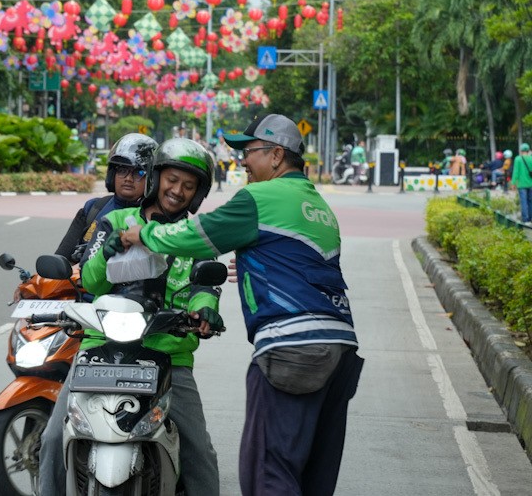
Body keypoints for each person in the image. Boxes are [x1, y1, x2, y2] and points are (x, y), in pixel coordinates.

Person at [122, 114, 364, 496]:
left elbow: (198, 235)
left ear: (276, 155)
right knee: (313, 477)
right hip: (341, 348)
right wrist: (255, 265)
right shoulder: (318, 205)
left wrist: (145, 234)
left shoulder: (260, 197)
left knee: (270, 472)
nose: (243, 162)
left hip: (291, 347)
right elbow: (303, 261)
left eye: (249, 152)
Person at [39, 137, 223, 496]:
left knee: (200, 451)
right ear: (156, 179)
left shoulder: (195, 237)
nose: (177, 191)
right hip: (101, 345)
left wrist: (206, 311)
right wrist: (107, 252)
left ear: (197, 195)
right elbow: (90, 281)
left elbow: (207, 285)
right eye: (172, 180)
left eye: (188, 186)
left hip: (168, 353)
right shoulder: (115, 221)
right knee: (53, 437)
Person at [54, 133, 157, 264]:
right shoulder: (94, 208)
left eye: (138, 173)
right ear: (112, 174)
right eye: (122, 170)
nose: (128, 179)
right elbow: (60, 258)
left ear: (151, 180)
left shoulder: (153, 218)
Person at [511, 143, 532, 223]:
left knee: (523, 201)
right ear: (528, 150)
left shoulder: (518, 159)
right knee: (530, 201)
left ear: (521, 150)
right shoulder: (531, 158)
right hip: (531, 184)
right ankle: (530, 218)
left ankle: (525, 219)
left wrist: (513, 183)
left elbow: (516, 172)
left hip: (521, 184)